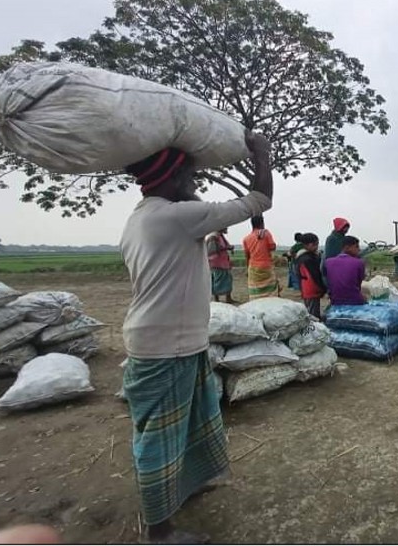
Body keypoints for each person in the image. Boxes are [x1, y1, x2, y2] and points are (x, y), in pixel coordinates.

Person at [120, 133, 273, 543]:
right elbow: (259, 200)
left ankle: (183, 487)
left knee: (188, 424)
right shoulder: (176, 215)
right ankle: (159, 530)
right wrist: (262, 153)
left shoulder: (141, 216)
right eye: (190, 176)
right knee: (159, 437)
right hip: (164, 345)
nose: (196, 184)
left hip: (174, 340)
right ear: (171, 178)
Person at [242, 215, 280, 300]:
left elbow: (247, 256)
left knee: (255, 289)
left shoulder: (246, 239)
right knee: (270, 290)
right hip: (266, 266)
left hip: (253, 267)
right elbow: (272, 247)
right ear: (262, 223)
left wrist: (247, 269)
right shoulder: (266, 233)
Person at [324, 236, 366, 306]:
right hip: (354, 300)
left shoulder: (328, 262)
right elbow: (358, 284)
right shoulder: (359, 263)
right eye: (356, 247)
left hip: (335, 300)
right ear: (347, 247)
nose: (359, 249)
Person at [295, 232, 326, 319]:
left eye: (317, 244)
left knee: (311, 310)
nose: (316, 247)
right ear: (306, 245)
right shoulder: (307, 259)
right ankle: (312, 329)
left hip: (307, 289)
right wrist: (323, 288)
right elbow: (314, 276)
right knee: (313, 315)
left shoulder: (302, 257)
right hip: (311, 289)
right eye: (314, 244)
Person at [205, 228, 236, 304]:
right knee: (217, 281)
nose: (227, 228)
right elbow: (212, 250)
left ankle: (227, 298)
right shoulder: (213, 236)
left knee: (226, 280)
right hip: (216, 263)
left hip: (221, 263)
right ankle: (217, 299)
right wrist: (227, 248)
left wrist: (228, 247)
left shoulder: (219, 236)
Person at [322, 217, 351, 282]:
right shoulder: (332, 239)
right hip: (332, 267)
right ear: (340, 227)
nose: (346, 230)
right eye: (345, 227)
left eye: (347, 228)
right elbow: (330, 256)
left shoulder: (343, 238)